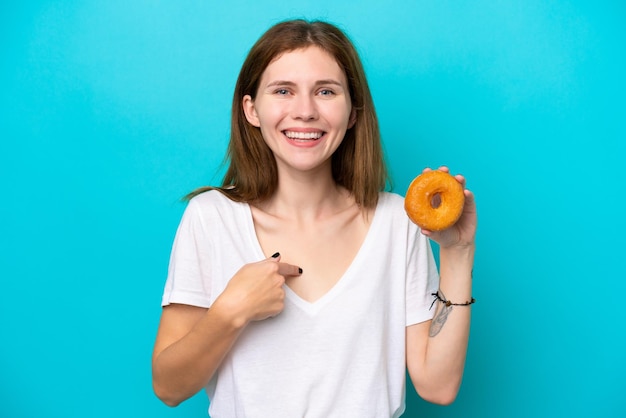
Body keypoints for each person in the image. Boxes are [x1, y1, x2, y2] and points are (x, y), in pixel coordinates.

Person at [152, 19, 477, 417]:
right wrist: (230, 311)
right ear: (251, 109)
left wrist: (458, 252)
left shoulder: (396, 222)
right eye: (283, 91)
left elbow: (438, 386)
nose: (305, 112)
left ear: (353, 112)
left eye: (326, 91)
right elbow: (168, 387)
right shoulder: (211, 219)